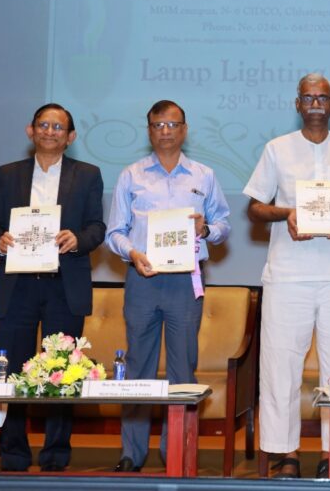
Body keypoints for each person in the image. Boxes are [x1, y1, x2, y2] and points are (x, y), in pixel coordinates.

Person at [244, 73, 330, 479]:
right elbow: (254, 208)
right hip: (288, 275)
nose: (316, 103)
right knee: (281, 365)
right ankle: (285, 453)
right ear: (297, 104)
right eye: (308, 97)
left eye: (323, 97)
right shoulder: (276, 150)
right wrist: (287, 213)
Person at [106, 100, 230, 472]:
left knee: (183, 367)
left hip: (184, 283)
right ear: (149, 131)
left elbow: (224, 225)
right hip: (143, 278)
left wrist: (206, 229)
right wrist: (132, 253)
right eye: (158, 125)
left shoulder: (204, 175)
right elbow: (114, 232)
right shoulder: (131, 175)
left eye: (172, 124)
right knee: (138, 365)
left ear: (184, 129)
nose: (165, 131)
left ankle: (176, 450)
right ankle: (132, 453)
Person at [0, 103, 106, 471]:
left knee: (63, 374)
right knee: (13, 373)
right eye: (43, 125)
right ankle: (13, 453)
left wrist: (78, 239)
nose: (50, 131)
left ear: (70, 137)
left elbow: (97, 227)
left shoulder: (87, 175)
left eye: (58, 127)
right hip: (17, 286)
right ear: (30, 130)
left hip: (63, 285)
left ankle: (55, 454)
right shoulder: (10, 174)